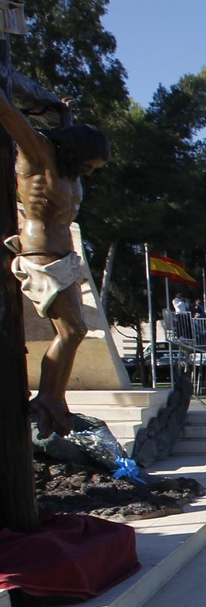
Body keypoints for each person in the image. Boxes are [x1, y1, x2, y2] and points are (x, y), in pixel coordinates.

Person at [0, 90, 110, 438]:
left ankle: (55, 396)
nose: (88, 173)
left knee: (76, 330)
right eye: (88, 165)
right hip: (41, 255)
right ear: (75, 153)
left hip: (64, 258)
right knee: (72, 330)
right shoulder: (39, 153)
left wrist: (66, 117)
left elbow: (67, 135)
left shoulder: (68, 168)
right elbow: (9, 115)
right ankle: (47, 397)